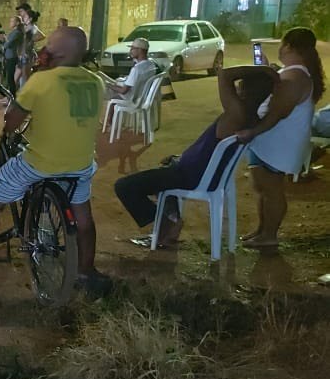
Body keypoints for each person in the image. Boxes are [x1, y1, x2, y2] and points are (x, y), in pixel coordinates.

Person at [0, 25, 108, 294]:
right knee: (84, 217)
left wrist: (28, 83)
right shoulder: (95, 80)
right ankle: (87, 270)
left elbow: (12, 122)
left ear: (59, 53)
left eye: (50, 45)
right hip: (81, 164)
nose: (45, 49)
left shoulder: (42, 81)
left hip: (40, 163)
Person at [115, 66, 275, 246]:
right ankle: (170, 228)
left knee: (124, 186)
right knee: (164, 172)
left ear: (246, 89)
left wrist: (262, 68)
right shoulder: (253, 117)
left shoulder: (237, 113)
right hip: (197, 171)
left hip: (191, 176)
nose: (236, 87)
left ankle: (168, 224)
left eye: (241, 84)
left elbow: (225, 74)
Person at [238, 26, 326, 249]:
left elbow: (277, 113)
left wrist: (253, 132)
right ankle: (262, 230)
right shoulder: (295, 73)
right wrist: (269, 71)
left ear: (288, 46)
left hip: (278, 141)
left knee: (272, 189)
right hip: (271, 140)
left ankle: (269, 235)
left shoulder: (295, 77)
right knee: (262, 186)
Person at [108, 37, 158, 103]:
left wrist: (108, 85)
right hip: (142, 96)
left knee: (110, 96)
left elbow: (123, 91)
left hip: (132, 98)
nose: (130, 51)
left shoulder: (136, 69)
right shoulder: (151, 64)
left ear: (140, 50)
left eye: (132, 48)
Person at [15, 4, 46, 89]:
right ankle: (17, 97)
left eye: (25, 17)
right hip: (22, 55)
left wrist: (31, 40)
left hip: (27, 55)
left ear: (30, 19)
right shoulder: (25, 27)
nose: (23, 18)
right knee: (19, 78)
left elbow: (42, 35)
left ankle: (24, 97)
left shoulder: (32, 27)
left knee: (23, 78)